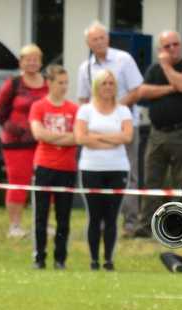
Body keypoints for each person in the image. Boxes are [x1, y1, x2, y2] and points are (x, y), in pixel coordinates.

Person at [132, 30, 182, 237]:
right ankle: (145, 226)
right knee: (152, 180)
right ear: (160, 49)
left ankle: (180, 226)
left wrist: (166, 67)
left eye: (175, 44)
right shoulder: (153, 69)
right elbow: (142, 92)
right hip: (157, 133)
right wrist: (173, 86)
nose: (172, 49)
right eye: (167, 46)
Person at [77, 21, 143, 236]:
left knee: (129, 174)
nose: (99, 42)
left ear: (108, 39)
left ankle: (130, 223)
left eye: (102, 37)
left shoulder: (124, 60)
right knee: (100, 175)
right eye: (95, 39)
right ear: (88, 43)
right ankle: (103, 222)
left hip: (125, 126)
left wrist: (114, 111)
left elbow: (137, 90)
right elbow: (83, 100)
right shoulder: (84, 68)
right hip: (96, 129)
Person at [74, 70, 133, 271]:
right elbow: (81, 138)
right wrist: (111, 139)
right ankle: (93, 260)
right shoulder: (85, 110)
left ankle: (108, 259)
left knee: (111, 216)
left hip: (117, 168)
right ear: (96, 86)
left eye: (111, 83)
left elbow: (126, 137)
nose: (108, 87)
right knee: (95, 216)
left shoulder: (123, 110)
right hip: (91, 168)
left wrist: (96, 136)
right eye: (104, 83)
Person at [0, 44, 48, 238]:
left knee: (44, 183)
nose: (32, 62)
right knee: (18, 182)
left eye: (36, 59)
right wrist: (12, 128)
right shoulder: (13, 83)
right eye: (28, 59)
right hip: (16, 143)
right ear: (21, 62)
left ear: (41, 62)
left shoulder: (48, 84)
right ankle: (15, 225)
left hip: (43, 142)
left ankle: (43, 224)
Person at [28, 65, 79, 269]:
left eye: (66, 82)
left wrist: (55, 137)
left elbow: (78, 137)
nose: (64, 86)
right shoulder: (39, 107)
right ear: (49, 83)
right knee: (41, 215)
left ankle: (60, 259)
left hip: (67, 168)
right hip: (44, 166)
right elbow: (38, 134)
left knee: (63, 217)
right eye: (60, 82)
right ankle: (39, 257)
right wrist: (64, 138)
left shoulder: (74, 109)